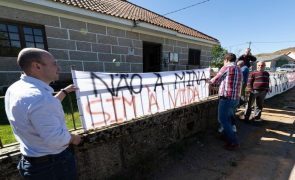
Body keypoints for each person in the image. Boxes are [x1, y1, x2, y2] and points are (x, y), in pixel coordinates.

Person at [5, 48, 82, 179]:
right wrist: (74, 138)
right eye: (54, 63)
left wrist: (64, 92)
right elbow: (55, 139)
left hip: (31, 162)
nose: (58, 68)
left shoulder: (15, 88)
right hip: (53, 166)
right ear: (37, 66)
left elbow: (40, 110)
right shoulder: (40, 98)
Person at [208, 53, 242, 150]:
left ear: (226, 60)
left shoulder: (226, 67)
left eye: (224, 61)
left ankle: (233, 142)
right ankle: (226, 136)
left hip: (226, 98)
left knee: (222, 120)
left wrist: (207, 81)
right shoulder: (238, 69)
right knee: (228, 119)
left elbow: (215, 80)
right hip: (235, 98)